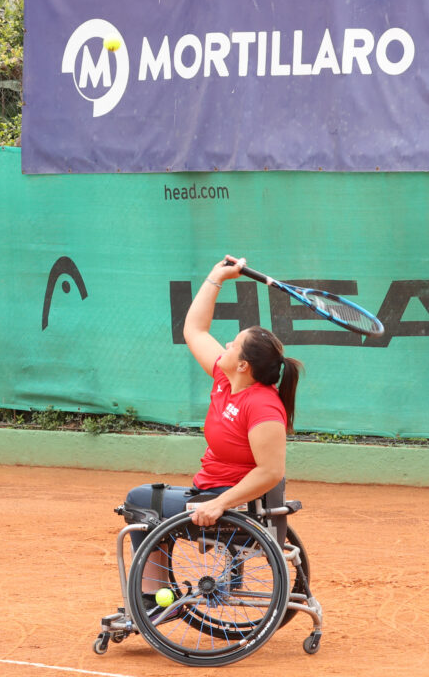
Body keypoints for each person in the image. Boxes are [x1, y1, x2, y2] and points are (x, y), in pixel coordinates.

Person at [125, 254, 303, 610]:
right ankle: (155, 596)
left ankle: (151, 598)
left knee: (140, 500)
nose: (225, 345)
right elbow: (194, 329)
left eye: (233, 344)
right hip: (209, 493)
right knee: (149, 499)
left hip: (233, 507)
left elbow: (271, 472)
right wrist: (217, 277)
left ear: (243, 364)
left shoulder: (262, 406)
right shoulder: (226, 380)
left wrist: (220, 503)